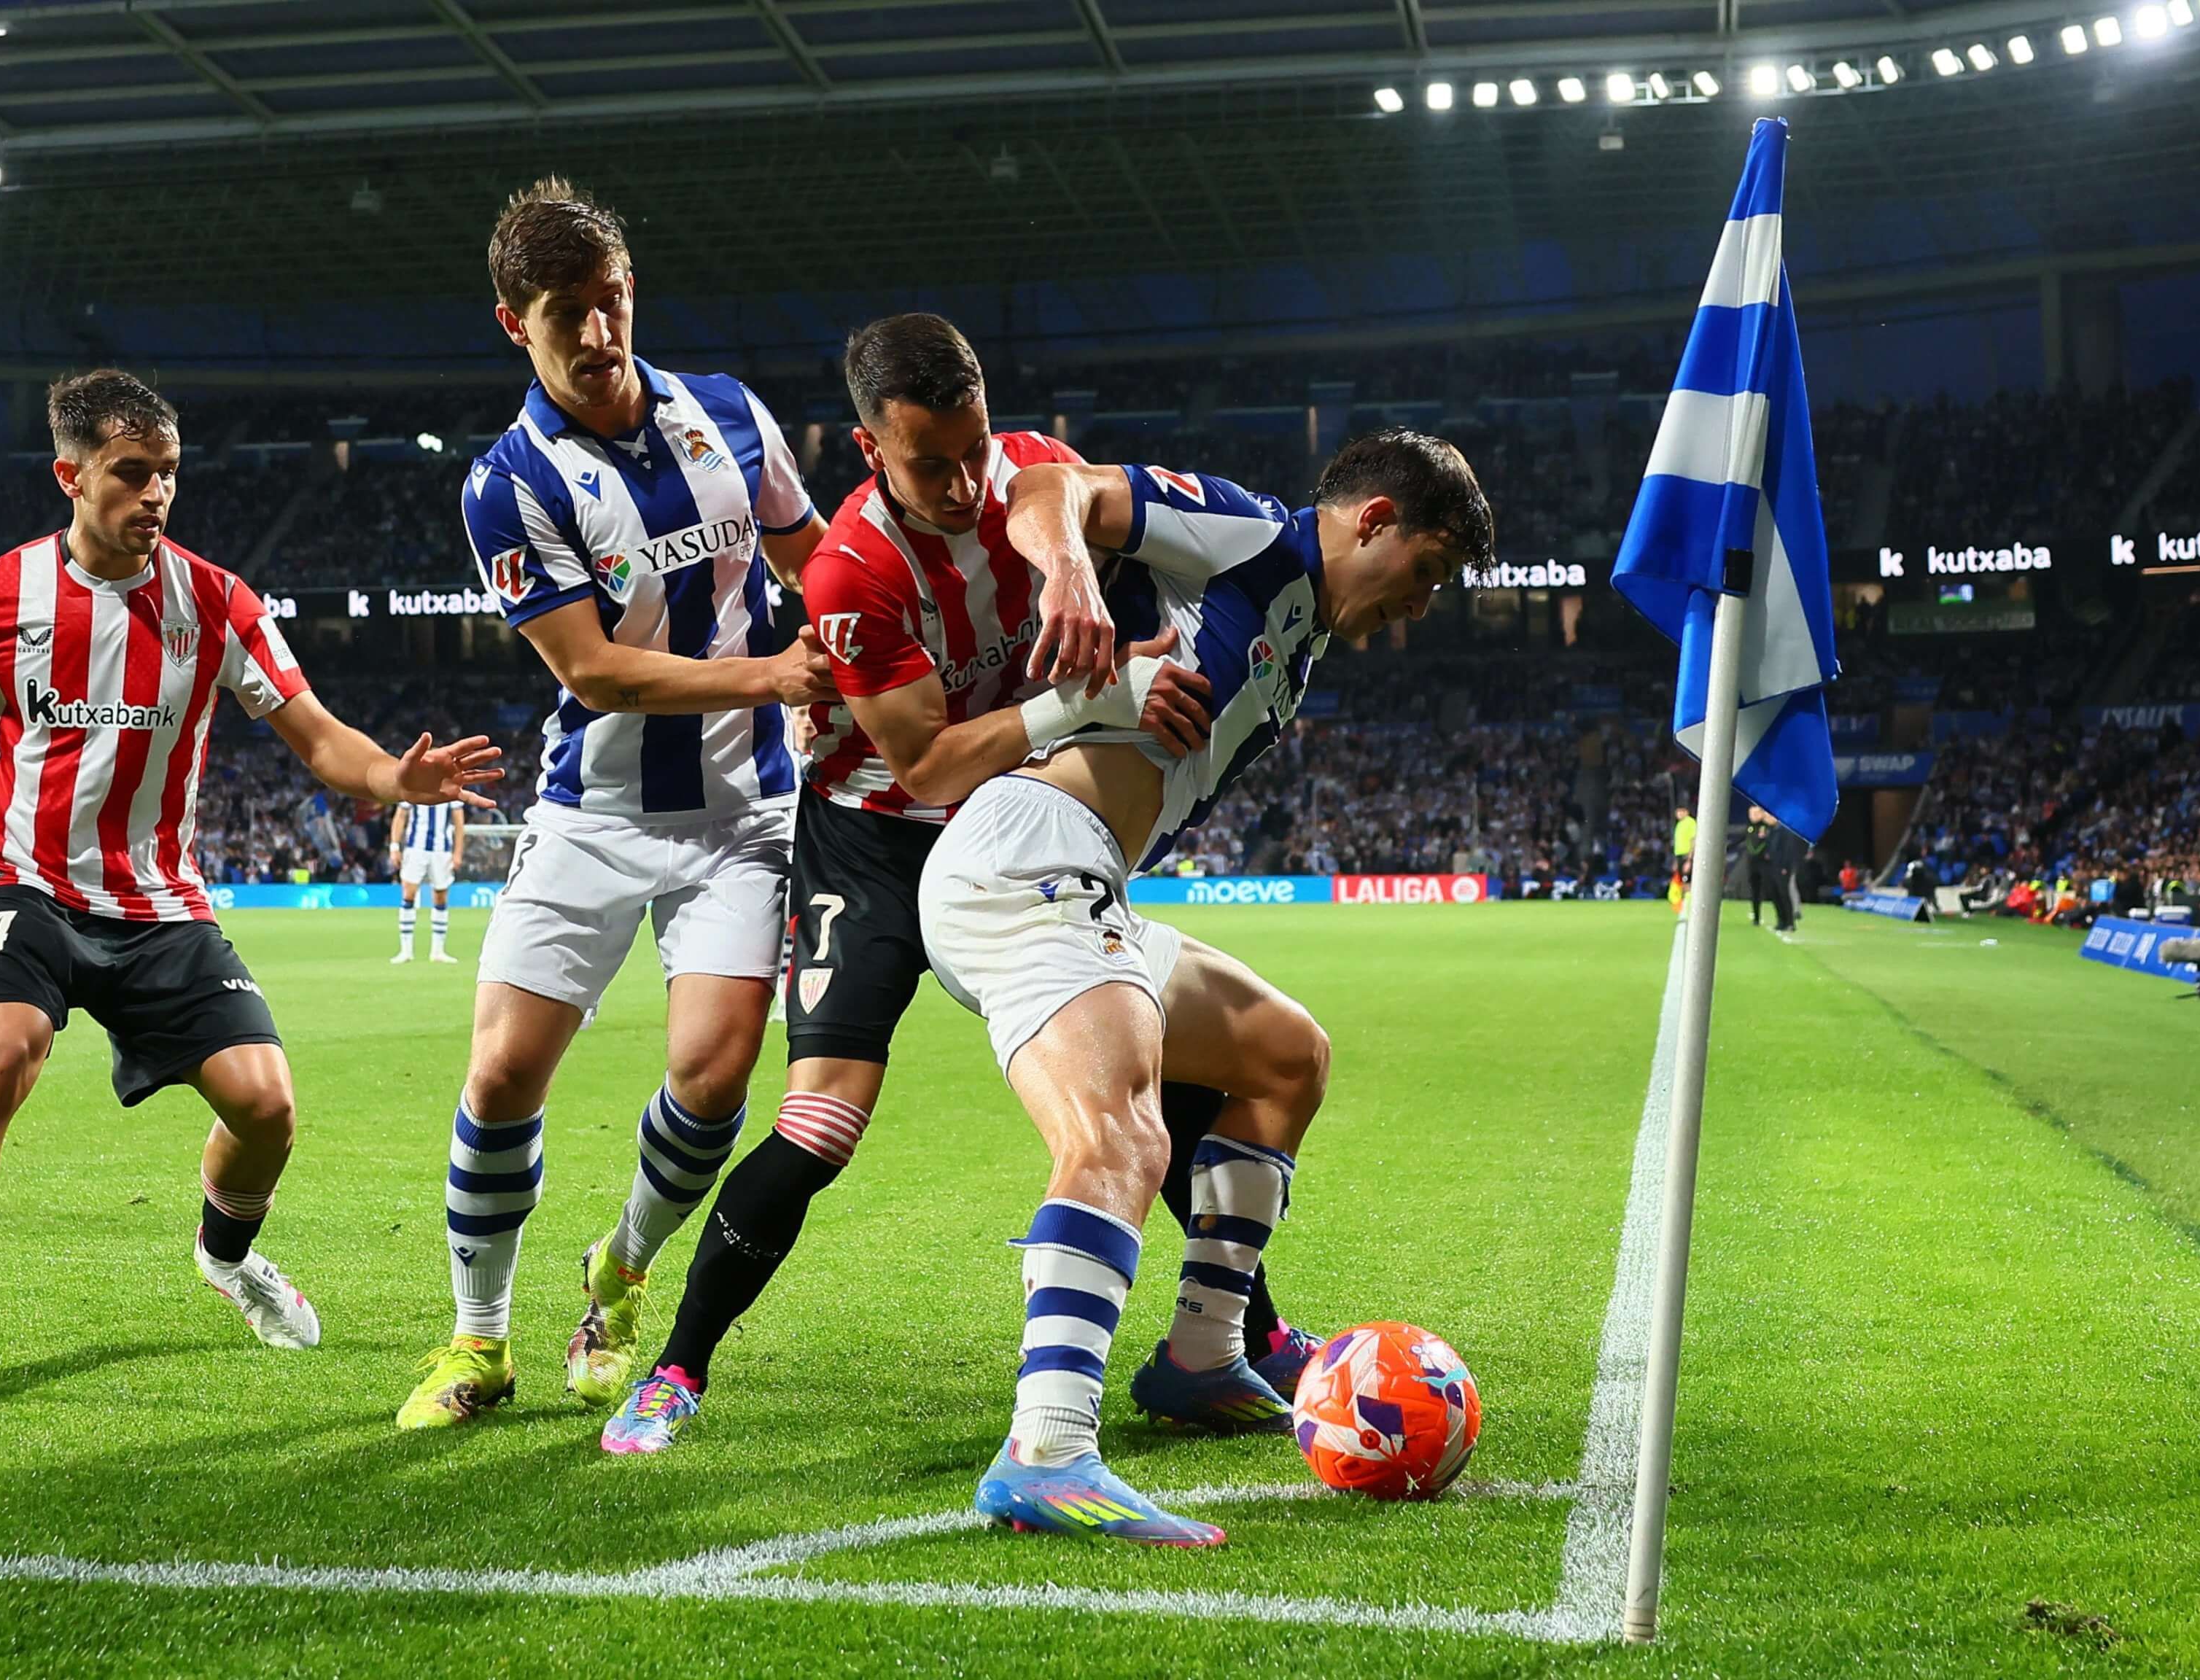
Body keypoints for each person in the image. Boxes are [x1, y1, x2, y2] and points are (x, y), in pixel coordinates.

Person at [602, 315, 1286, 1456]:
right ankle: (677, 1366)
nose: (967, 484)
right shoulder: (851, 571)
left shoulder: (1028, 477)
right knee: (821, 1123)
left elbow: (1075, 508)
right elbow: (925, 765)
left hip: (1019, 827)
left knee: (1145, 1076)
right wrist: (1099, 695)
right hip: (875, 839)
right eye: (933, 464)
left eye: (976, 449)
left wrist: (1085, 587)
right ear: (871, 450)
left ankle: (1241, 1338)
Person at [0, 369, 503, 1412]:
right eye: (131, 472)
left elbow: (319, 738)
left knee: (267, 1107)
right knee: (4, 1056)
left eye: (169, 473)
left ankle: (227, 1258)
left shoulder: (218, 602)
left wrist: (392, 777)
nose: (155, 493)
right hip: (25, 889)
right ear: (70, 476)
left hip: (159, 905)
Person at [919, 430, 1489, 1546]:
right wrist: (1073, 578)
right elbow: (1047, 485)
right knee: (1121, 1140)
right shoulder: (1251, 534)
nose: (1419, 607)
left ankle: (1200, 1357)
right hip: (1025, 861)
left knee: (1286, 1055)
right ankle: (1046, 1452)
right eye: (1424, 572)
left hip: (1092, 884)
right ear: (1373, 521)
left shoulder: (1300, 640)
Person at [400, 178, 837, 1430]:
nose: (599, 333)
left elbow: (814, 557)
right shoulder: (506, 483)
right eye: (566, 314)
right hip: (592, 811)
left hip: (748, 809)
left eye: (612, 302)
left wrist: (848, 654)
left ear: (632, 290)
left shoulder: (731, 415)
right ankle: (478, 1341)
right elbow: (592, 669)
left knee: (715, 1075)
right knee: (501, 1074)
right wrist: (774, 674)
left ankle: (621, 1274)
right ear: (514, 324)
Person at [389, 796, 466, 964]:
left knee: (441, 896)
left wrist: (458, 853)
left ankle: (438, 951)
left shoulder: (450, 786)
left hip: (442, 850)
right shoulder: (414, 784)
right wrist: (394, 847)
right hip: (415, 848)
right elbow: (400, 815)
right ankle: (406, 951)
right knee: (408, 894)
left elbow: (459, 823)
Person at [1669, 801, 1697, 915]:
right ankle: (1685, 907)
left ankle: (1690, 908)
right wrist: (1676, 861)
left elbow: (1693, 840)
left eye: (1682, 811)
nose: (1679, 814)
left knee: (1688, 882)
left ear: (1687, 812)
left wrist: (1689, 860)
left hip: (1687, 856)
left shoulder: (1690, 823)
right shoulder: (1679, 824)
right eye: (1678, 812)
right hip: (1680, 856)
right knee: (1683, 882)